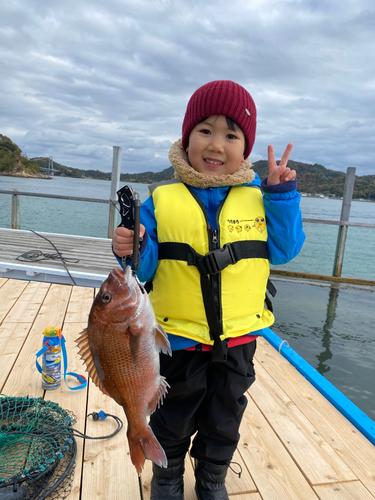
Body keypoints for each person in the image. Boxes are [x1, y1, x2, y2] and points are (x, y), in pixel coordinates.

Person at [112, 80, 305, 500]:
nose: (216, 145)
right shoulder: (160, 200)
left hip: (239, 340)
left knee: (225, 419)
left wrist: (283, 196)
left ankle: (212, 478)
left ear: (245, 149)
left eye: (231, 135)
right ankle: (166, 476)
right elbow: (143, 267)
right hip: (176, 341)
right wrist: (131, 244)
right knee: (172, 416)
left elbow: (286, 250)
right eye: (205, 130)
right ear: (186, 137)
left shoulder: (261, 198)